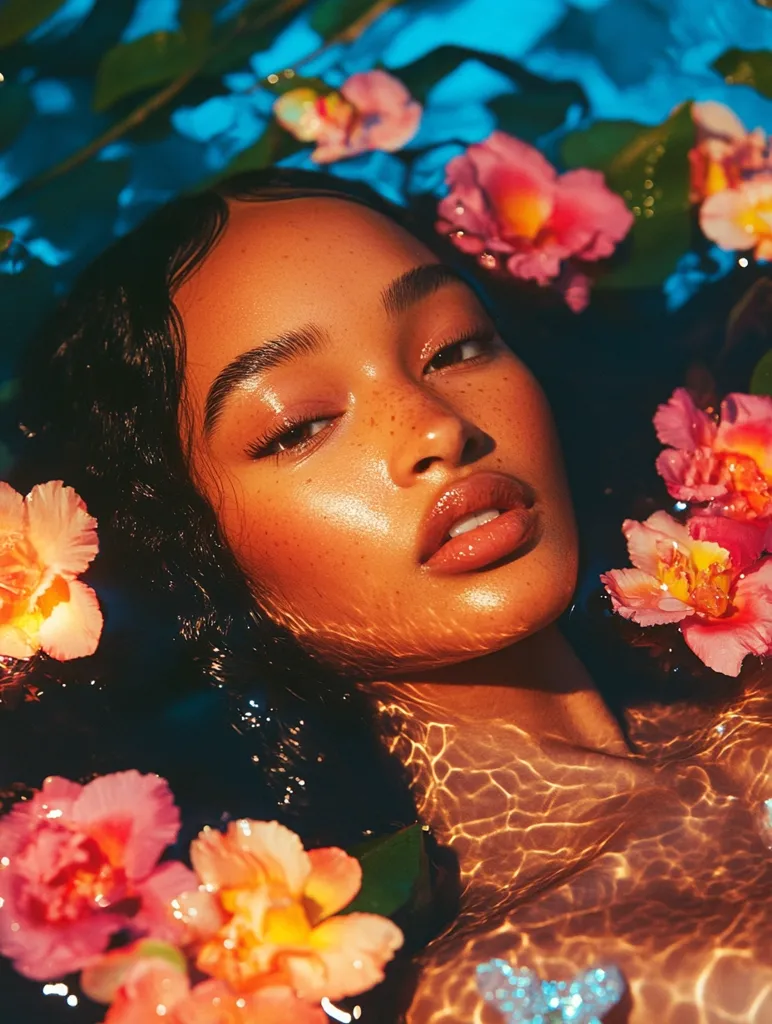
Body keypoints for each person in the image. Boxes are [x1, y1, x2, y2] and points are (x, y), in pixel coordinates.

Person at [2, 167, 772, 1024]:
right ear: (195, 559)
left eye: (457, 347)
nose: (438, 425)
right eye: (299, 426)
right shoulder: (474, 993)